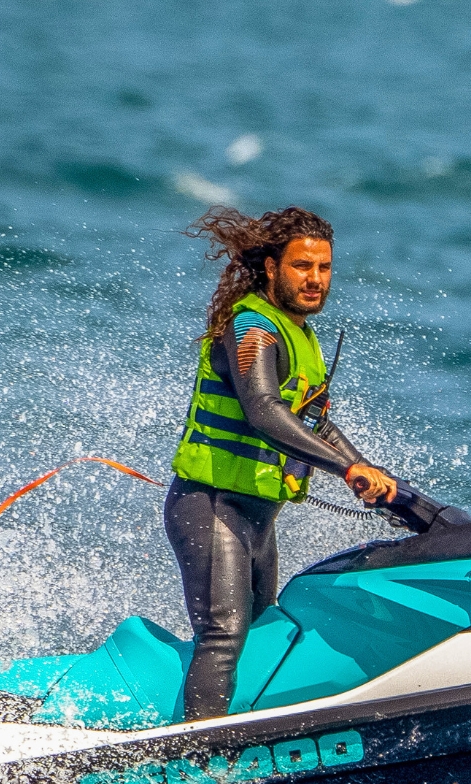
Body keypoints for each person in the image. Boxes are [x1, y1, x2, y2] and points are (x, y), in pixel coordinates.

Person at [166, 206, 397, 720]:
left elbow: (315, 423)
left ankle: (245, 730)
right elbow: (264, 410)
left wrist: (368, 473)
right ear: (272, 268)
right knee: (224, 633)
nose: (315, 280)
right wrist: (345, 469)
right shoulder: (252, 326)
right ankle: (202, 756)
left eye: (324, 268)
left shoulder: (303, 338)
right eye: (302, 267)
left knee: (265, 625)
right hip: (211, 505)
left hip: (255, 515)